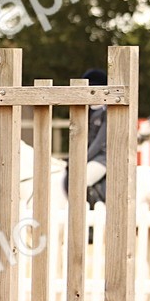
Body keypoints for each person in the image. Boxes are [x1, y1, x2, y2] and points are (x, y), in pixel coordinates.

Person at [63, 69, 108, 203]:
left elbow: (99, 142)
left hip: (102, 158)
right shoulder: (86, 111)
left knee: (83, 180)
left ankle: (92, 212)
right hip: (87, 156)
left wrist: (82, 158)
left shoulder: (107, 112)